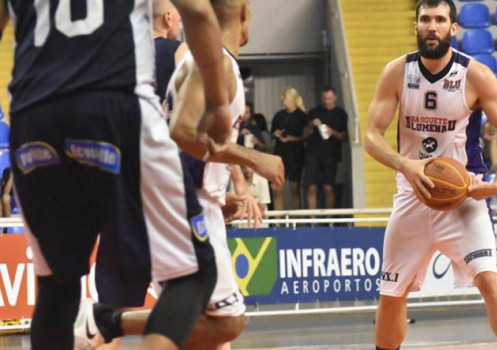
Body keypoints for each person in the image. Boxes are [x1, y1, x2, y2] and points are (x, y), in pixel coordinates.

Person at [0, 0, 240, 348]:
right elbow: (200, 13)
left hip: (33, 115)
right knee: (195, 276)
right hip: (116, 105)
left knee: (57, 289)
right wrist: (218, 104)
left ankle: (99, 321)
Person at [75, 1, 285, 349]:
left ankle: (105, 321)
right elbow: (183, 133)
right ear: (245, 16)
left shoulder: (205, 63)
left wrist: (218, 197)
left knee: (201, 326)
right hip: (185, 211)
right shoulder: (214, 66)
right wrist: (253, 157)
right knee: (226, 323)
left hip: (180, 199)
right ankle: (105, 321)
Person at [364, 1, 497, 349]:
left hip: (462, 197)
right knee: (392, 291)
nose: (432, 26)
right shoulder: (397, 72)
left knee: (488, 279)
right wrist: (405, 164)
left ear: (453, 28)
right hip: (413, 194)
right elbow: (370, 136)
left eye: (440, 20)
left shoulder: (476, 75)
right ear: (416, 26)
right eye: (425, 19)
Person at [304, 86, 349, 209]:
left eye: (329, 98)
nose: (327, 101)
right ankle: (312, 221)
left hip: (331, 155)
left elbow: (345, 137)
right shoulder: (314, 112)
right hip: (312, 154)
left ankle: (330, 220)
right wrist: (312, 126)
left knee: (328, 187)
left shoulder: (340, 114)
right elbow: (304, 134)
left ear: (335, 97)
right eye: (324, 98)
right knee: (311, 187)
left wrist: (332, 132)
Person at [271, 87, 308, 210]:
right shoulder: (279, 115)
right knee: (278, 189)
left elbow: (306, 135)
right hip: (280, 154)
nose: (282, 100)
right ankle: (277, 222)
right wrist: (276, 134)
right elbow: (272, 133)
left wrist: (293, 139)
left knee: (294, 189)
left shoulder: (301, 116)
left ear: (292, 99)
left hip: (295, 155)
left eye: (284, 97)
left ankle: (295, 222)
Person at [153, 0, 188, 103]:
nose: (180, 19)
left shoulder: (121, 52)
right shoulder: (180, 50)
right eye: (178, 13)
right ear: (168, 18)